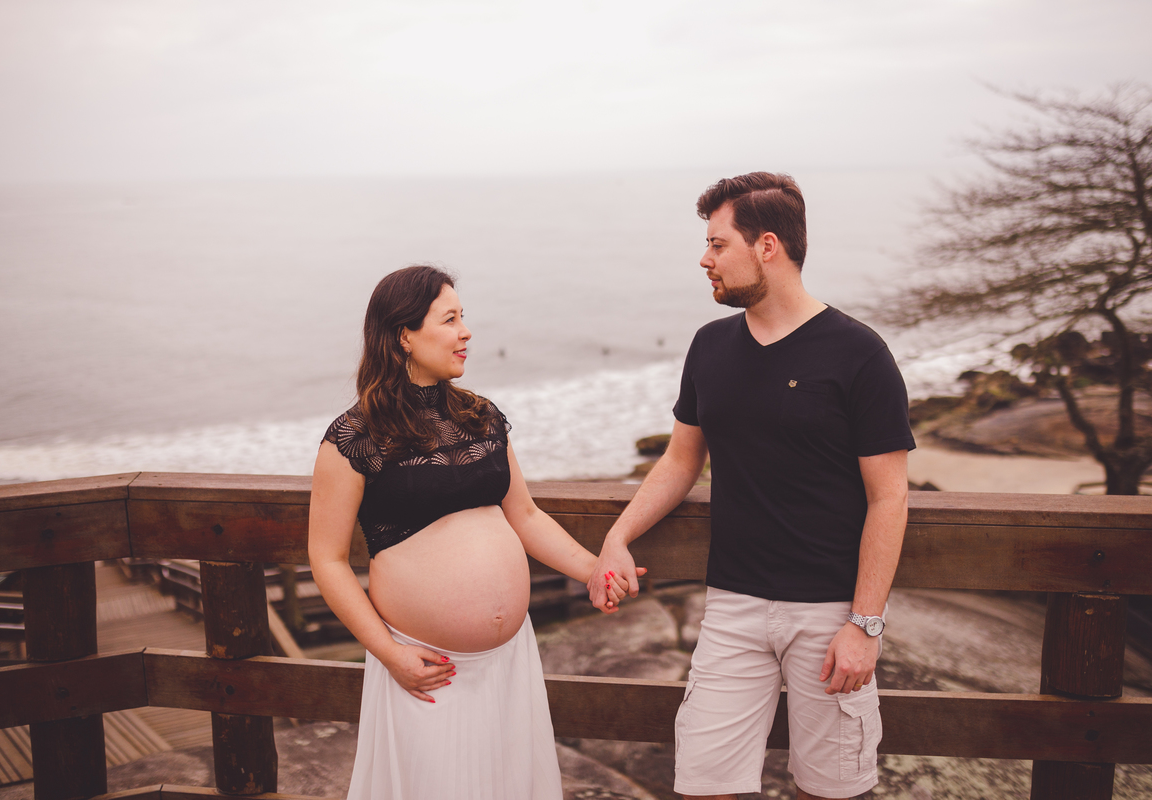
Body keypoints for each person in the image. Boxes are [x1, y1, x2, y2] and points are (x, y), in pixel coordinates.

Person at [587, 172, 915, 800]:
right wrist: (618, 536)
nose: (704, 259)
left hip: (828, 611)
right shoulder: (710, 346)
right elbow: (681, 462)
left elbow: (889, 496)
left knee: (833, 789)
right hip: (732, 606)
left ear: (767, 246)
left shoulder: (858, 353)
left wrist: (864, 625)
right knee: (705, 783)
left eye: (717, 244)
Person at [309, 265, 638, 800]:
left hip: (509, 662)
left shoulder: (482, 417)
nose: (466, 332)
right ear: (404, 337)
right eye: (451, 319)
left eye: (464, 318)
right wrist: (390, 654)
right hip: (426, 668)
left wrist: (592, 569)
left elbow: (525, 516)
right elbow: (326, 559)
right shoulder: (354, 437)